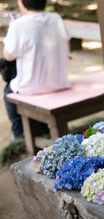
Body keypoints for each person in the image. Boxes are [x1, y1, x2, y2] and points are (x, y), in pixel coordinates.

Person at [3, 0, 71, 140]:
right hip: (60, 82)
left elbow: (8, 56)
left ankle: (19, 133)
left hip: (32, 88)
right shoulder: (56, 18)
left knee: (7, 92)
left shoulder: (18, 24)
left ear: (22, 3)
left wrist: (10, 29)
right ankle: (42, 128)